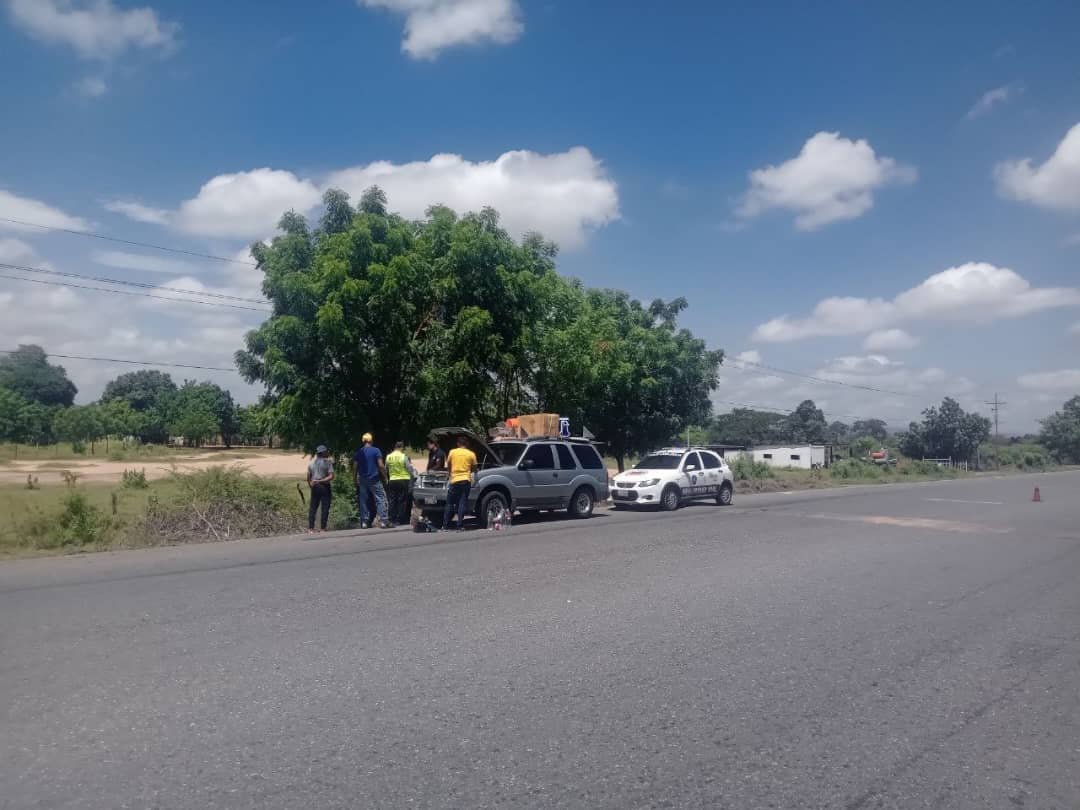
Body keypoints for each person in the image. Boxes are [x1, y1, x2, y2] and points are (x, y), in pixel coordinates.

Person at [353, 433, 390, 528]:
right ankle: (383, 520)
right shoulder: (376, 450)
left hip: (362, 479)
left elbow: (355, 467)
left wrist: (354, 479)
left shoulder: (359, 452)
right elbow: (381, 465)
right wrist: (385, 476)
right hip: (374, 479)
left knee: (363, 500)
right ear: (371, 441)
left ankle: (364, 522)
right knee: (380, 498)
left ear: (363, 441)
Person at [443, 435, 477, 532]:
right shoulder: (471, 454)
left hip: (454, 480)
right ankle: (460, 525)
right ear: (466, 444)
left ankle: (445, 526)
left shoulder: (452, 452)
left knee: (449, 503)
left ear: (458, 444)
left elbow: (449, 465)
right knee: (462, 503)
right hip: (465, 480)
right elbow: (474, 468)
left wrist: (450, 473)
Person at [385, 441, 416, 527]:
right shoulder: (403, 456)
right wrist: (413, 475)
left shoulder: (388, 457)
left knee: (392, 500)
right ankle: (400, 519)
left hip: (392, 480)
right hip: (403, 480)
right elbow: (409, 467)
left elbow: (386, 468)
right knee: (401, 501)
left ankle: (391, 519)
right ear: (401, 447)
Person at [306, 445, 334, 533]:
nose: (327, 453)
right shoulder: (327, 462)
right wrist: (321, 480)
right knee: (325, 507)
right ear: (323, 453)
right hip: (324, 486)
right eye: (326, 452)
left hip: (315, 486)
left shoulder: (311, 463)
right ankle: (323, 528)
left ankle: (311, 528)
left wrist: (311, 485)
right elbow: (331, 476)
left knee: (313, 507)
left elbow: (308, 477)